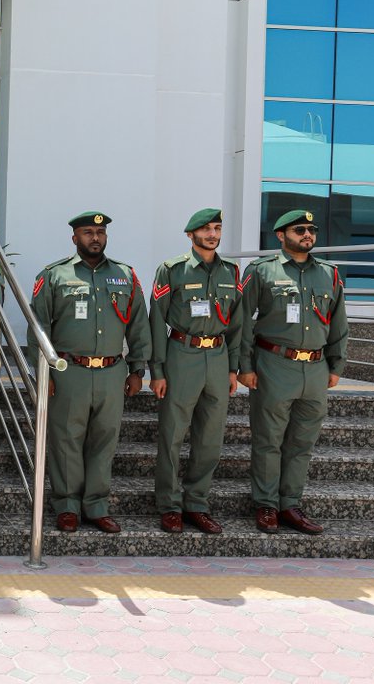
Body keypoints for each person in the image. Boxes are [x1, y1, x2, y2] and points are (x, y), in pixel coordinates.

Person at [28, 211, 151, 534]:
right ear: (74, 238)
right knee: (66, 440)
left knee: (104, 441)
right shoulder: (54, 276)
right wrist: (45, 373)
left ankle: (96, 506)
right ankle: (67, 505)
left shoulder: (125, 275)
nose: (94, 238)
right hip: (69, 371)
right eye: (87, 232)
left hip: (112, 372)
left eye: (99, 232)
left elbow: (139, 323)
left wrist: (138, 368)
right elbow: (38, 327)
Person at [238, 209, 347, 535]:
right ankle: (267, 505)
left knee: (302, 442)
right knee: (269, 440)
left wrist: (336, 364)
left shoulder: (329, 273)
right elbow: (243, 320)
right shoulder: (261, 271)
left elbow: (339, 322)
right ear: (281, 235)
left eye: (311, 230)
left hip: (315, 369)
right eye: (300, 230)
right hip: (274, 364)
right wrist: (245, 366)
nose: (308, 235)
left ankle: (290, 505)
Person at [148, 208, 241, 535]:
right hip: (181, 354)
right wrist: (156, 370)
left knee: (210, 438)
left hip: (216, 357)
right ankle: (170, 506)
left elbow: (238, 323)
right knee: (172, 434)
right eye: (206, 229)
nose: (213, 234)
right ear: (191, 235)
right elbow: (156, 320)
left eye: (217, 227)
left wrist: (233, 367)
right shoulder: (171, 270)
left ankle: (197, 504)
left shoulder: (232, 271)